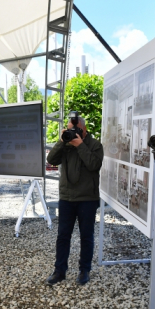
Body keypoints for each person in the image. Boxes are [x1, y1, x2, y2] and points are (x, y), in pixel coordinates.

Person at [45, 113, 104, 286]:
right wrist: (63, 141)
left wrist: (80, 146)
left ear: (84, 129)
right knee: (63, 236)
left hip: (87, 198)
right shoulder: (66, 142)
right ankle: (59, 271)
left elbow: (94, 164)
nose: (73, 133)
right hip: (67, 197)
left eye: (76, 130)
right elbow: (51, 160)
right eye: (70, 130)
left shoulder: (95, 145)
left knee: (86, 236)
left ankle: (84, 270)